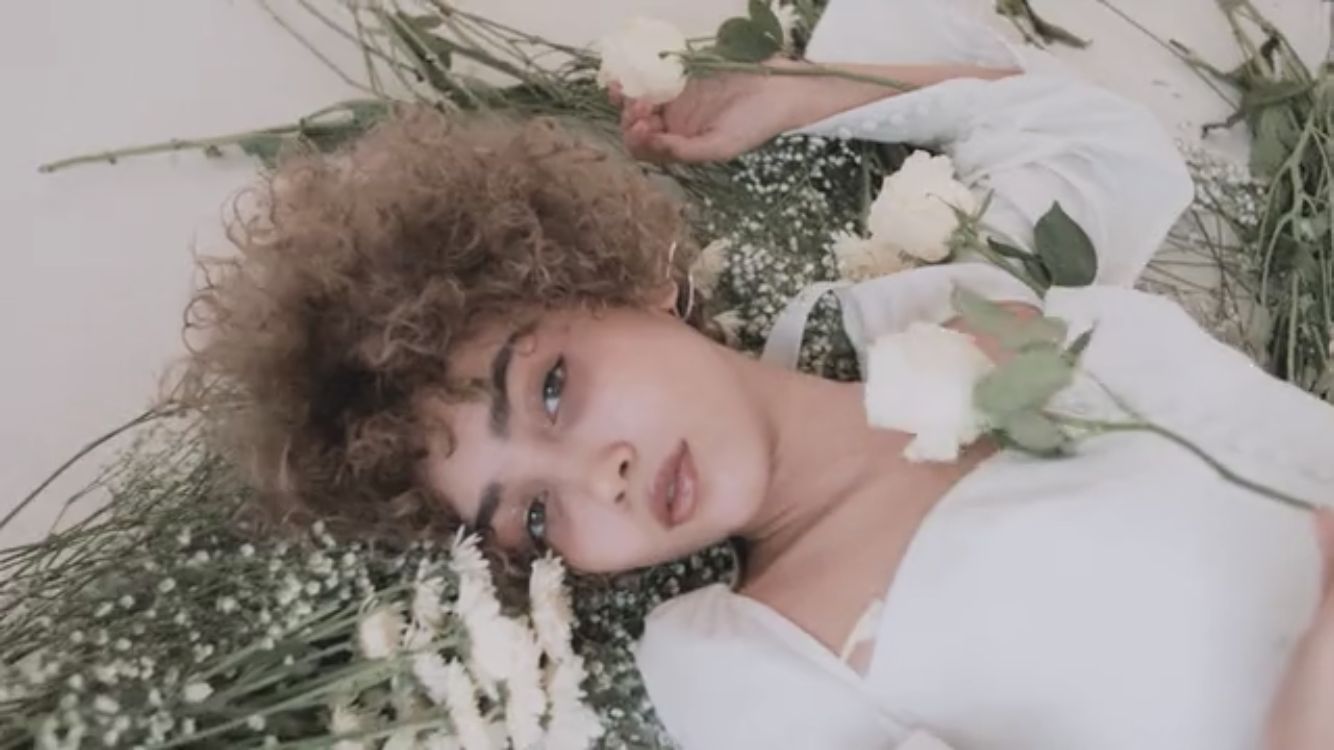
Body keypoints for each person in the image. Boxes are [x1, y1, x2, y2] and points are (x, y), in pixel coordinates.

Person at [183, 0, 1334, 747]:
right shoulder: (742, 668)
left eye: (549, 391)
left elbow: (1108, 156)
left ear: (626, 281)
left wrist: (801, 92)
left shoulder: (945, 307)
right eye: (534, 515)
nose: (603, 476)